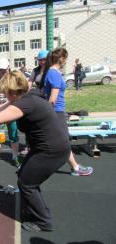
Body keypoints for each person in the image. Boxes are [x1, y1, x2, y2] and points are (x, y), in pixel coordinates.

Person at [0, 70, 71, 232]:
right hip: (45, 147)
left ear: (14, 91)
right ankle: (35, 210)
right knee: (24, 176)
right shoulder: (24, 97)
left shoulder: (25, 102)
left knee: (27, 183)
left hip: (52, 150)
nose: (5, 95)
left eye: (7, 92)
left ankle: (43, 221)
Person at [43, 48, 93, 176]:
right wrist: (49, 115)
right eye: (65, 59)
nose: (66, 62)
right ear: (62, 59)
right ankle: (75, 167)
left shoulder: (53, 72)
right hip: (56, 113)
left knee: (61, 141)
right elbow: (52, 100)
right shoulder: (54, 73)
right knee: (63, 142)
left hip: (57, 112)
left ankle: (74, 167)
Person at [0, 58, 20, 167]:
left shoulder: (13, 80)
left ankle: (15, 157)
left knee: (13, 133)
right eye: (0, 69)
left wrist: (6, 105)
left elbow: (15, 96)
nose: (2, 71)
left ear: (8, 68)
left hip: (10, 111)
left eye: (4, 69)